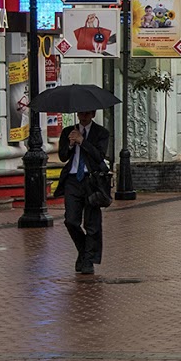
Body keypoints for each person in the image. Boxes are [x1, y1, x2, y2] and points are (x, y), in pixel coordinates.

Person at [56, 110, 111, 275]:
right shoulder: (68, 131)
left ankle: (88, 260)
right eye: (81, 113)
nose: (83, 116)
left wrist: (83, 141)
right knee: (71, 221)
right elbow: (62, 156)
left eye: (87, 113)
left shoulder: (101, 133)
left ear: (93, 114)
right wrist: (71, 144)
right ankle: (83, 250)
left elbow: (99, 157)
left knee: (92, 224)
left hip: (92, 180)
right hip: (73, 181)